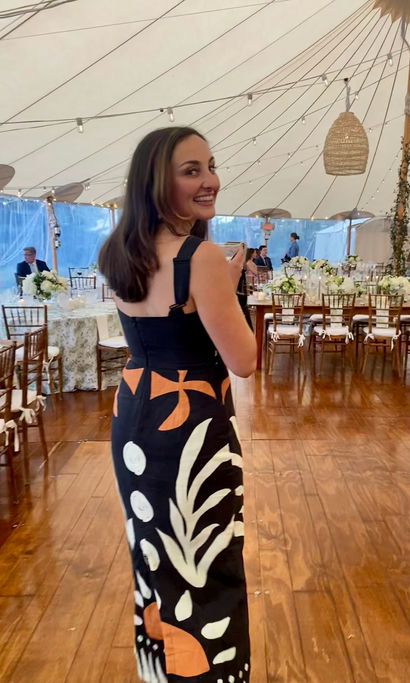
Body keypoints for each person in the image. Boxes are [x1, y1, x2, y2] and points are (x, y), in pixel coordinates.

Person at [98, 126, 256, 682]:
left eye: (210, 166)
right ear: (156, 182)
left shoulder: (118, 253)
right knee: (205, 559)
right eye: (191, 170)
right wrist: (228, 290)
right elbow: (243, 360)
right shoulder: (200, 257)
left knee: (152, 554)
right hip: (191, 424)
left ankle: (160, 671)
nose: (210, 180)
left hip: (136, 413)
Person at [236, 248, 258, 330]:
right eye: (254, 253)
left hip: (251, 282)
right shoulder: (247, 263)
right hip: (251, 282)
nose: (256, 254)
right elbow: (256, 273)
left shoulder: (248, 263)